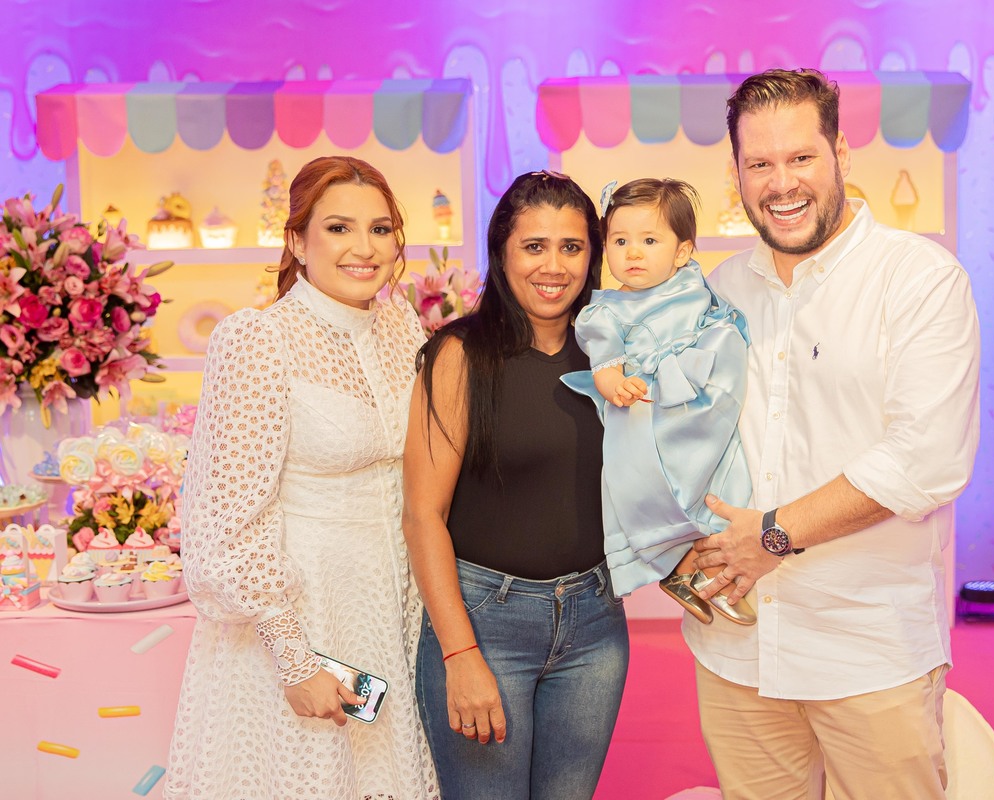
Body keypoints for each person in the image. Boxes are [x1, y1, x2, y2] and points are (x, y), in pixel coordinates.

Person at [687, 68, 982, 800]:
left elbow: (925, 460)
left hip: (868, 651)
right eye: (760, 163)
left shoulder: (918, 278)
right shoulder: (720, 290)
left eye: (801, 157)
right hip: (736, 648)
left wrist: (773, 535)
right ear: (735, 173)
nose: (781, 183)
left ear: (841, 154)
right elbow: (686, 436)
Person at [166, 156, 439, 799]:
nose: (364, 248)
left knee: (386, 774)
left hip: (395, 604)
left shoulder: (402, 326)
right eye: (339, 228)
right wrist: (295, 660)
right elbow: (227, 519)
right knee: (312, 774)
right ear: (296, 240)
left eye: (380, 229)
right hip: (303, 613)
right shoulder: (258, 339)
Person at [403, 171, 629, 800]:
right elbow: (422, 515)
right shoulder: (460, 355)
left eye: (571, 246)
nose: (553, 266)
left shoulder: (613, 358)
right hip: (486, 624)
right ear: (501, 253)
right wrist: (459, 654)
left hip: (595, 623)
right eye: (534, 246)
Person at [562, 177, 754, 626]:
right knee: (672, 488)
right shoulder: (605, 311)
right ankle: (686, 568)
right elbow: (604, 366)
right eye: (620, 241)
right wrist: (615, 384)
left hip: (698, 400)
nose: (633, 253)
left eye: (649, 241)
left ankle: (702, 569)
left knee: (727, 479)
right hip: (648, 411)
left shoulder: (692, 285)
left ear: (682, 252)